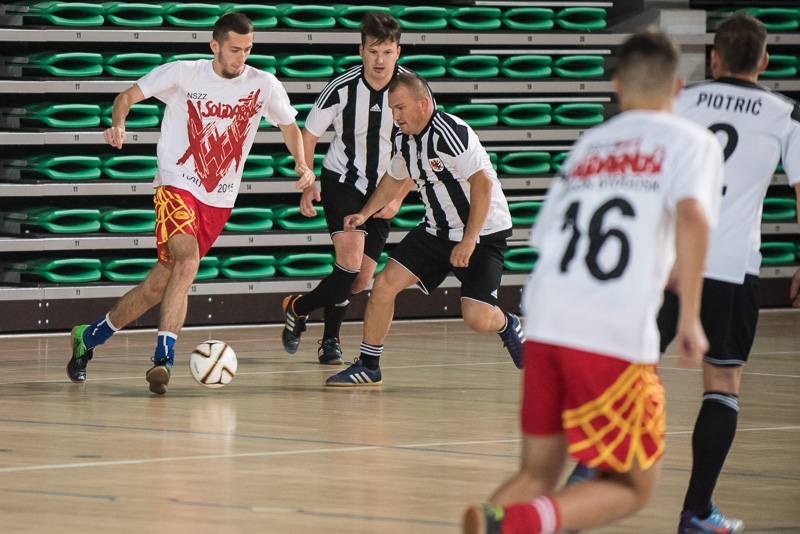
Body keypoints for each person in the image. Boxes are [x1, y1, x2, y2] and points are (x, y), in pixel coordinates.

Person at [462, 29, 724, 534]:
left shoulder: (589, 145)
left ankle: (498, 521)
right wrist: (689, 315)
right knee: (632, 486)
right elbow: (693, 216)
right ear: (678, 88)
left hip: (544, 321)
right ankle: (514, 526)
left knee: (537, 473)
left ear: (617, 87)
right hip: (610, 332)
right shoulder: (691, 140)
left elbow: (557, 236)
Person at [65, 12, 313, 394]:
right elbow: (125, 97)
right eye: (234, 49)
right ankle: (163, 358)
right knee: (188, 261)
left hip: (220, 199)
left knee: (156, 287)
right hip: (176, 185)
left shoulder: (263, 84)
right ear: (214, 45)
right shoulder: (183, 73)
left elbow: (289, 125)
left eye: (247, 49)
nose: (241, 57)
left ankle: (89, 336)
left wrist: (301, 162)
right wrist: (119, 123)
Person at [656, 14, 800, 534]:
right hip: (733, 268)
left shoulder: (682, 101)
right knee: (722, 382)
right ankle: (696, 511)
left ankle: (592, 469)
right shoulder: (785, 114)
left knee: (631, 369)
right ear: (764, 61)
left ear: (713, 58)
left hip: (667, 263)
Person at [324, 71, 525, 387]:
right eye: (392, 109)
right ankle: (369, 365)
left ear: (423, 103)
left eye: (401, 108)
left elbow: (482, 184)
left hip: (482, 233)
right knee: (384, 284)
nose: (396, 116)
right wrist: (365, 213)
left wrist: (469, 240)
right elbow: (393, 178)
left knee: (477, 318)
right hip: (436, 231)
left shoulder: (450, 133)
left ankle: (507, 324)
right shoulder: (405, 139)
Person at [280, 12, 415, 365]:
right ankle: (331, 341)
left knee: (358, 281)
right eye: (373, 51)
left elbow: (422, 145)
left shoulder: (411, 90)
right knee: (350, 262)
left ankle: (299, 307)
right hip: (342, 180)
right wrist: (307, 179)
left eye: (387, 51)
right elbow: (308, 134)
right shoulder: (342, 87)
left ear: (398, 52)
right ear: (361, 51)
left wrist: (398, 197)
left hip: (384, 190)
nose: (380, 60)